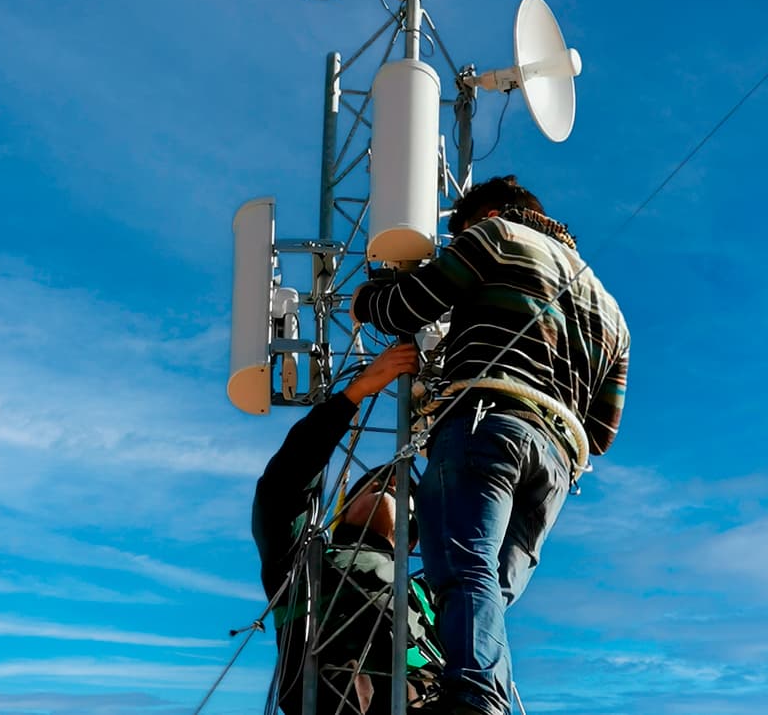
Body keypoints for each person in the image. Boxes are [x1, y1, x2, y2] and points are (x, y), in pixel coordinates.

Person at [351, 176, 631, 715]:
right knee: (489, 591)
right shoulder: (612, 311)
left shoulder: (496, 234)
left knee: (463, 570)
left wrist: (367, 300)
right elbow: (603, 433)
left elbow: (408, 307)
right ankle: (472, 691)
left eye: (460, 230)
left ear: (493, 211)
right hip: (557, 462)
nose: (460, 237)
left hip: (489, 423)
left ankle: (475, 702)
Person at [252, 343, 444, 715]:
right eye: (374, 484)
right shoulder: (302, 565)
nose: (392, 484)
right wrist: (356, 392)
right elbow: (280, 488)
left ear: (414, 535)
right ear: (342, 512)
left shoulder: (432, 592)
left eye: (403, 493)